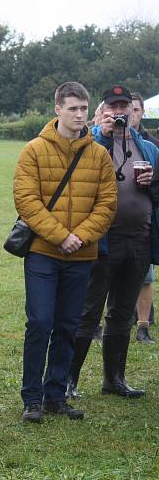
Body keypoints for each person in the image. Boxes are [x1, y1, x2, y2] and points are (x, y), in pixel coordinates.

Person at [13, 81, 116, 422]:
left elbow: (106, 204)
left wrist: (80, 237)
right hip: (43, 252)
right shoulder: (34, 151)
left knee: (68, 325)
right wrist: (59, 236)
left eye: (83, 109)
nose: (78, 115)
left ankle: (55, 395)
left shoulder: (99, 155)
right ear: (57, 109)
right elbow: (27, 201)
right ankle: (32, 398)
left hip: (81, 255)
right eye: (72, 108)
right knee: (40, 323)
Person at [67, 85, 159, 400]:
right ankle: (69, 381)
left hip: (140, 239)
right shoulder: (91, 141)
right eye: (114, 107)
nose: (121, 113)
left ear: (137, 112)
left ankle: (114, 379)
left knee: (121, 313)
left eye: (127, 108)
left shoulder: (149, 149)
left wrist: (152, 183)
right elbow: (79, 173)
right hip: (103, 239)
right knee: (89, 312)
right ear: (104, 111)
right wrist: (104, 135)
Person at [132, 92, 158, 344]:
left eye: (137, 110)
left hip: (144, 224)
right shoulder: (104, 140)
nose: (131, 115)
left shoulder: (151, 145)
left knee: (145, 277)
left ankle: (143, 325)